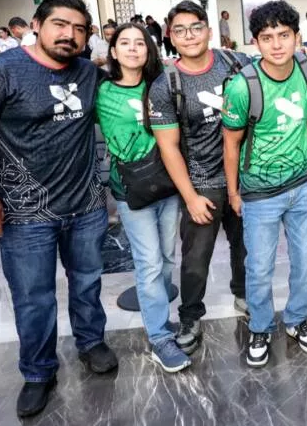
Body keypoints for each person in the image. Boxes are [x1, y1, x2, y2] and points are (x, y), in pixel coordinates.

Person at [0, 0, 116, 418]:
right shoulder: (1, 71)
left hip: (85, 205)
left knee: (87, 282)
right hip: (26, 212)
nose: (69, 35)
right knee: (33, 297)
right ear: (36, 25)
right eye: (60, 24)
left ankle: (91, 342)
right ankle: (38, 371)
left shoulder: (88, 73)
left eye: (79, 29)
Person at [222, 0, 307, 367]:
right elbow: (231, 144)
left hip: (302, 185)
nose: (277, 44)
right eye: (267, 37)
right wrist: (234, 192)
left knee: (306, 261)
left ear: (297, 37)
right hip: (259, 193)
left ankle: (297, 319)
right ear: (256, 42)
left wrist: (296, 144)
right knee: (260, 267)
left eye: (284, 35)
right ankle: (261, 326)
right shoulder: (242, 87)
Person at [148, 0, 248, 355]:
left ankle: (244, 294)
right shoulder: (166, 83)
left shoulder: (237, 64)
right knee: (196, 258)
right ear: (170, 37)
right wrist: (190, 197)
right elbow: (168, 147)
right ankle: (190, 316)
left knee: (245, 246)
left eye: (195, 27)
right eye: (180, 30)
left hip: (244, 176)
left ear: (208, 30)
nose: (189, 36)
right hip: (202, 182)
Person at [95, 23, 191, 374]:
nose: (133, 48)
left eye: (140, 43)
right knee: (149, 262)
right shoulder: (100, 91)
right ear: (114, 51)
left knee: (166, 258)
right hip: (130, 188)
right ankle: (159, 336)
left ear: (149, 50)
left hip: (167, 183)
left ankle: (158, 315)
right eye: (125, 43)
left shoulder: (161, 84)